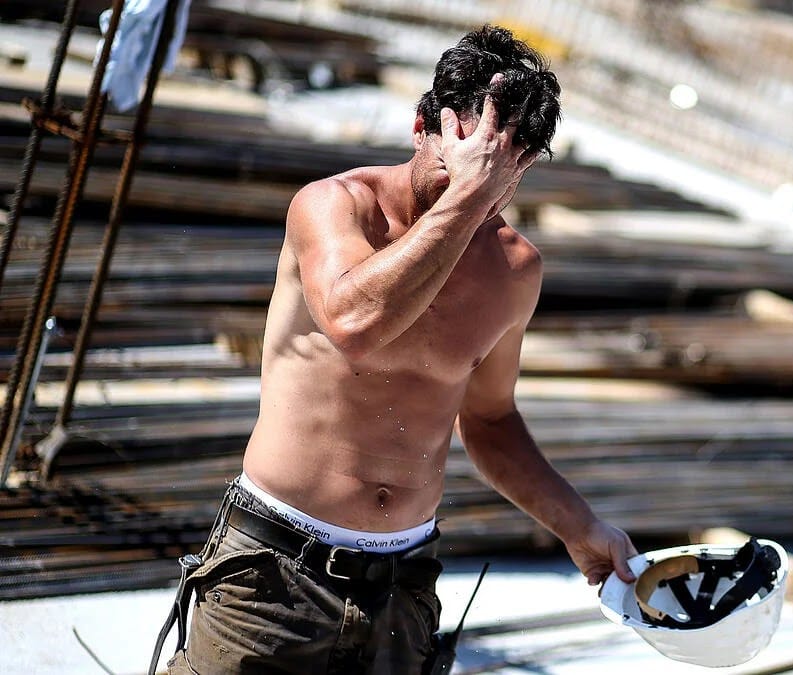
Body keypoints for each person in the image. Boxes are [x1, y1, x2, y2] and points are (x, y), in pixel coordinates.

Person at [150, 25, 638, 675]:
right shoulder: (334, 206)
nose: (482, 190)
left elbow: (490, 420)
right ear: (420, 127)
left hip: (403, 586)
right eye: (465, 163)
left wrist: (580, 526)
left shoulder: (514, 268)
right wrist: (468, 195)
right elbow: (355, 322)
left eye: (504, 175)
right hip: (274, 572)